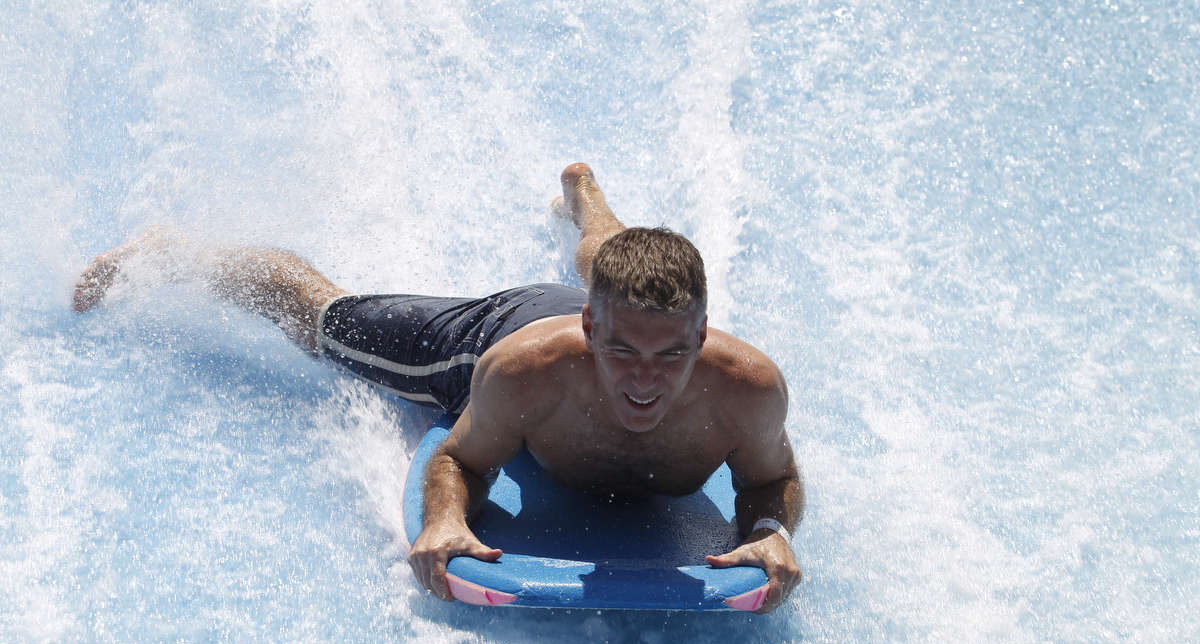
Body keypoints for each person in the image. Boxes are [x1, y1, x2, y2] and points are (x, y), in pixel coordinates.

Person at [75, 163, 805, 613]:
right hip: (495, 331)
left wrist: (771, 533)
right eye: (621, 352)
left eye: (670, 354)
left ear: (702, 335)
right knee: (323, 322)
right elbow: (459, 458)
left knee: (611, 265)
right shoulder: (522, 375)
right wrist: (447, 520)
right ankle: (173, 250)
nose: (645, 379)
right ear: (589, 331)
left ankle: (585, 199)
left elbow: (774, 478)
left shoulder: (748, 389)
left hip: (605, 301)